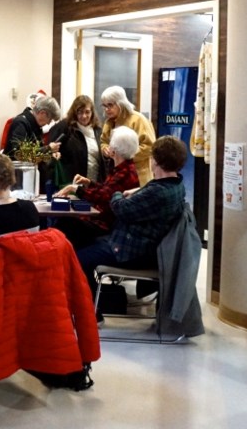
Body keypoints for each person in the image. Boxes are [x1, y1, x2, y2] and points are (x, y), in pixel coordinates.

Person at [75, 135, 189, 319]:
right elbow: (148, 195)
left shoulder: (157, 192)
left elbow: (120, 208)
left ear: (155, 161)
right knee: (83, 239)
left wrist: (118, 193)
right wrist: (137, 191)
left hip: (131, 250)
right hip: (142, 245)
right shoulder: (175, 185)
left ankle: (91, 315)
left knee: (78, 259)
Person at [53, 125, 140, 249]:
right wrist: (89, 183)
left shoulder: (123, 173)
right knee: (67, 222)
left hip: (104, 224)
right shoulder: (125, 168)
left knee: (65, 225)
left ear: (114, 151)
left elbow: (104, 196)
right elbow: (107, 190)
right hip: (102, 219)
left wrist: (75, 189)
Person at [99, 86, 156, 186]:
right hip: (116, 175)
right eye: (104, 106)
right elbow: (103, 142)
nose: (107, 109)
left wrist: (124, 156)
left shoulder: (138, 120)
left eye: (110, 105)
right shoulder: (108, 122)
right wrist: (105, 149)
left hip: (138, 176)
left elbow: (150, 147)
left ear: (121, 103)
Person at [48, 95, 105, 187]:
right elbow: (51, 148)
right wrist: (54, 154)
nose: (84, 116)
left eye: (87, 112)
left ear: (92, 113)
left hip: (94, 184)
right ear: (74, 113)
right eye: (80, 112)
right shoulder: (65, 127)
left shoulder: (98, 131)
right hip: (71, 184)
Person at [2, 95, 62, 160]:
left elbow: (35, 155)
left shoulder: (34, 126)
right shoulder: (20, 123)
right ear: (42, 113)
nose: (48, 123)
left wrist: (50, 154)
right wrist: (47, 149)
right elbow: (18, 154)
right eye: (50, 119)